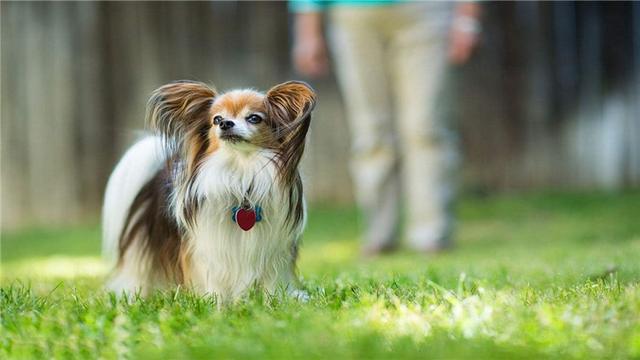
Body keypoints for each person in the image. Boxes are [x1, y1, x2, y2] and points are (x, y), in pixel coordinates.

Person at [291, 0, 481, 255]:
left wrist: (467, 18)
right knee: (370, 130)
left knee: (426, 127)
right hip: (353, 13)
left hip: (428, 10)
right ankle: (379, 234)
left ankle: (431, 234)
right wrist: (308, 30)